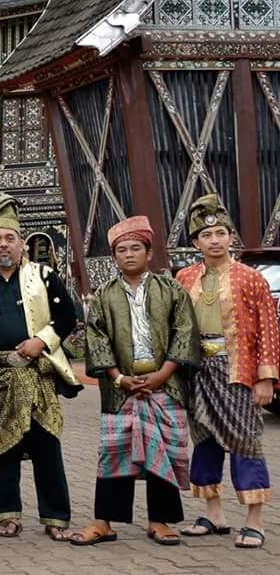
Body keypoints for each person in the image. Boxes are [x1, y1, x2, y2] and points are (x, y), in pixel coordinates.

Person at [71, 216, 199, 548]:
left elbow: (184, 332)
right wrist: (118, 377)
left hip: (164, 384)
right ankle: (104, 521)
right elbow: (96, 338)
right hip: (122, 387)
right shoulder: (104, 295)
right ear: (114, 257)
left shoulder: (171, 290)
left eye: (135, 248)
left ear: (148, 251)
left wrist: (162, 374)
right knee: (113, 453)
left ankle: (160, 521)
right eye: (121, 250)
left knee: (164, 449)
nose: (129, 255)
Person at [175, 195, 278, 549]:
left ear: (231, 237)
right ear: (195, 242)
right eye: (206, 235)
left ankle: (254, 520)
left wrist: (265, 377)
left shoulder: (251, 279)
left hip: (237, 370)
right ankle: (213, 513)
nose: (214, 240)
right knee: (204, 441)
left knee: (245, 442)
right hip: (197, 371)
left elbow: (268, 329)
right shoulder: (184, 277)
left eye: (221, 233)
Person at [0, 193, 79, 541]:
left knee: (46, 444)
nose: (4, 245)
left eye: (10, 238)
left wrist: (42, 341)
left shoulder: (44, 276)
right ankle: (6, 515)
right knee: (1, 446)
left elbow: (67, 316)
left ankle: (55, 516)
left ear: (22, 243)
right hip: (0, 374)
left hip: (37, 373)